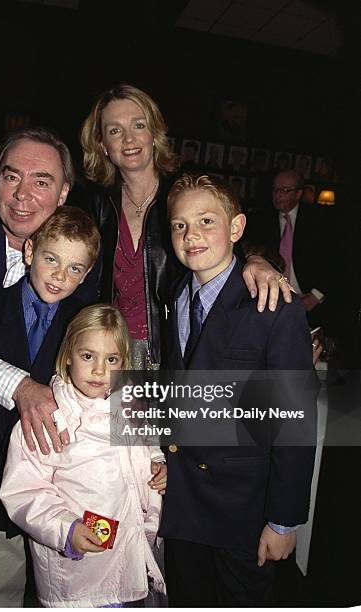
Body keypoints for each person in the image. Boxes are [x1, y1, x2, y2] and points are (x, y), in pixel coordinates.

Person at [159, 174, 316, 606]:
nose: (191, 235)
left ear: (236, 228)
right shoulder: (173, 296)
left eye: (206, 221)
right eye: (179, 225)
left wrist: (284, 521)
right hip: (183, 503)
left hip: (242, 509)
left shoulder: (274, 307)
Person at [0, 207, 100, 606]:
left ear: (86, 274)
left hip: (47, 476)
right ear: (30, 251)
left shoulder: (80, 323)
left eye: (74, 268)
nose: (60, 276)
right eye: (51, 259)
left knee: (36, 581)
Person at [79, 84, 292, 370]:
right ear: (102, 144)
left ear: (154, 132)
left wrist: (255, 259)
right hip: (111, 348)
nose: (129, 138)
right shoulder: (94, 203)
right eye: (115, 130)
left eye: (138, 125)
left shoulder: (185, 192)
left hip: (173, 346)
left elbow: (226, 239)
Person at [0, 304, 166, 607]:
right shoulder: (47, 420)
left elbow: (148, 456)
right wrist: (66, 528)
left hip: (134, 567)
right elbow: (22, 491)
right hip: (78, 579)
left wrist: (159, 468)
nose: (100, 370)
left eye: (111, 359)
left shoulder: (131, 410)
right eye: (88, 356)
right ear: (68, 356)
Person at [246, 170, 332, 329]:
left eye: (285, 190)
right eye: (275, 189)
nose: (277, 195)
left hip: (311, 302)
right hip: (270, 302)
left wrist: (316, 295)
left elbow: (335, 261)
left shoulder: (319, 220)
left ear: (299, 194)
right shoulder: (259, 219)